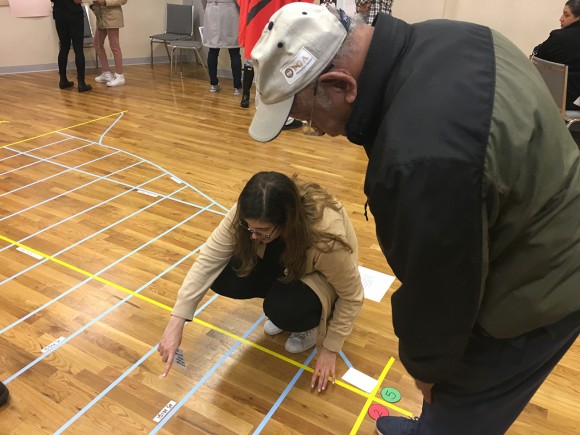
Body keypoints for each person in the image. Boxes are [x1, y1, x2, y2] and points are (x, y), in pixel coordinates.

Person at [247, 4, 580, 434]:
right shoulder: (451, 35)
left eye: (308, 117)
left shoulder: (419, 157)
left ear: (339, 84)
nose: (320, 131)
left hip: (538, 287)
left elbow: (441, 288)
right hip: (545, 223)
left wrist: (428, 368)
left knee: (459, 407)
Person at [158, 171, 364, 392]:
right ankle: (283, 299)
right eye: (249, 228)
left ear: (287, 220)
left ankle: (308, 323)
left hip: (321, 276)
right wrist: (176, 322)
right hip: (286, 263)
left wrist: (330, 347)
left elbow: (352, 295)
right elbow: (209, 258)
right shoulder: (250, 214)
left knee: (283, 310)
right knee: (220, 275)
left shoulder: (325, 240)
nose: (253, 235)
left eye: (262, 230)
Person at [532, 0, 580, 110]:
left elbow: (537, 58)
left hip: (561, 103)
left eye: (566, 14)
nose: (561, 18)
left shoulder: (559, 38)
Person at [202, 0, 242, 94]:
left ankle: (213, 84)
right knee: (234, 51)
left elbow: (203, 1)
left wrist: (207, 7)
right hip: (230, 11)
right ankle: (237, 87)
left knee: (213, 50)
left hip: (212, 10)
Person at [51, 0, 92, 92]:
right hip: (73, 14)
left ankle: (63, 80)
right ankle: (81, 83)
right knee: (78, 48)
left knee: (64, 47)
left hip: (59, 15)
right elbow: (77, 1)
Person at [90, 0, 127, 87]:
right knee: (97, 44)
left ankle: (119, 75)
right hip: (101, 17)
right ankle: (106, 73)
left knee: (114, 46)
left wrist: (105, 2)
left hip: (112, 16)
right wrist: (92, 6)